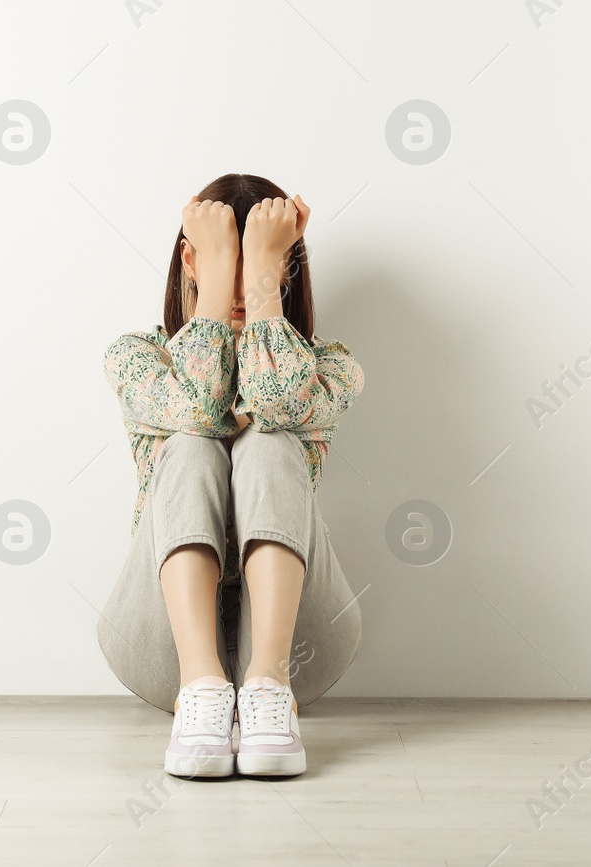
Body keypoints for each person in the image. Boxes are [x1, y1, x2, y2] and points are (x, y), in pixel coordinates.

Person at [98, 173, 364, 779]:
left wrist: (262, 279)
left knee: (269, 439)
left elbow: (278, 404)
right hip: (159, 649)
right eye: (227, 264)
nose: (244, 284)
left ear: (285, 269)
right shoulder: (136, 357)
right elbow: (197, 408)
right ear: (189, 259)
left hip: (303, 649)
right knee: (192, 446)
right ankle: (202, 687)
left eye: (259, 266)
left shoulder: (331, 366)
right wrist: (216, 284)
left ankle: (267, 685)